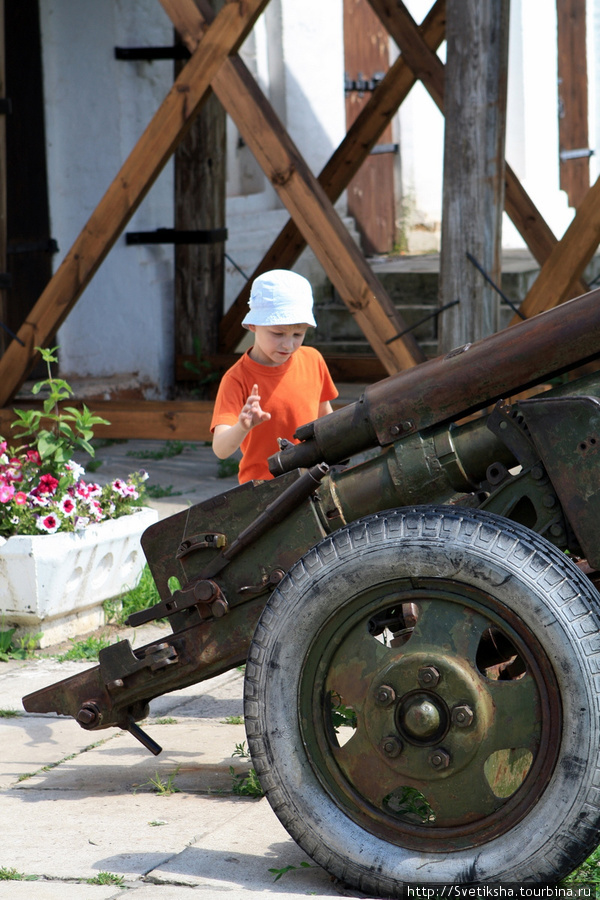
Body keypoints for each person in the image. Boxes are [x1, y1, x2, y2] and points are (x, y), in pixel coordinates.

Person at [211, 269, 338, 483]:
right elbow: (221, 449)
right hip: (264, 488)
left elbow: (326, 418)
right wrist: (242, 426)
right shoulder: (236, 379)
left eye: (298, 334)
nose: (288, 345)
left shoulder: (313, 360)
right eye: (277, 333)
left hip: (314, 479)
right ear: (253, 325)